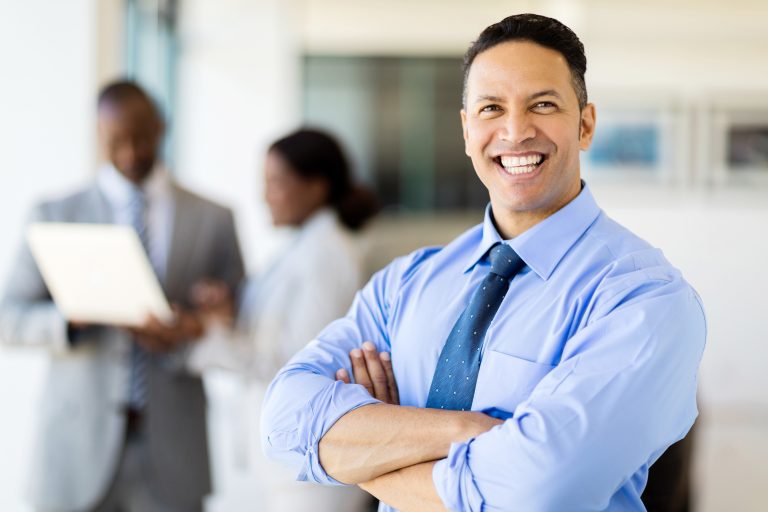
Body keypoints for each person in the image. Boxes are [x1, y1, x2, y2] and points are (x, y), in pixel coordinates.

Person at [261, 14, 706, 512]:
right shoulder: (406, 284)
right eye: (492, 108)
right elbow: (283, 421)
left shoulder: (644, 298)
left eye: (542, 104)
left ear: (585, 124)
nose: (515, 131)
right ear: (467, 127)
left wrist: (375, 447)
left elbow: (536, 493)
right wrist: (470, 431)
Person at [0, 80, 245, 512]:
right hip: (76, 448)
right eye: (116, 142)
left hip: (173, 448)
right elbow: (9, 317)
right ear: (98, 134)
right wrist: (67, 320)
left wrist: (204, 316)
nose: (131, 153)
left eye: (142, 139)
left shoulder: (214, 218)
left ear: (162, 127)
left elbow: (239, 313)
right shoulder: (55, 214)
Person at [189, 128, 378, 512]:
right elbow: (267, 334)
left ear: (316, 187)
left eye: (276, 183)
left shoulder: (327, 255)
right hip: (289, 466)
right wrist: (224, 316)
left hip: (312, 470)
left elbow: (294, 362)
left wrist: (200, 337)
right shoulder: (303, 247)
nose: (265, 196)